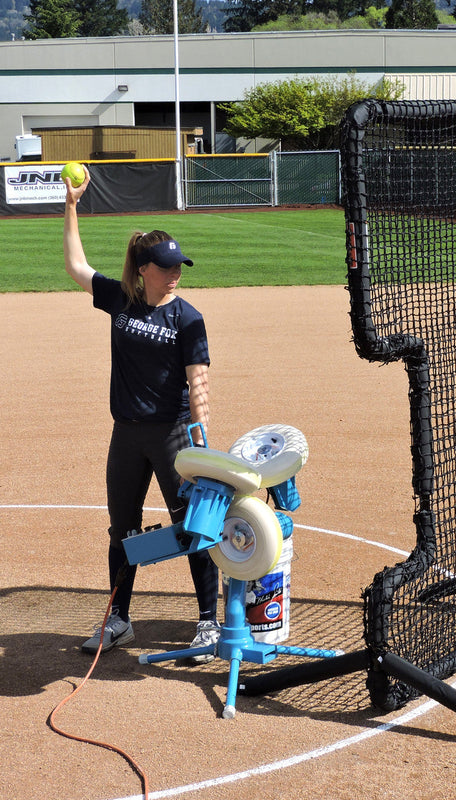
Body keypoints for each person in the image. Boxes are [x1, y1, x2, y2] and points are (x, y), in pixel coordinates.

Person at [63, 165, 221, 660]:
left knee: (195, 526)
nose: (175, 274)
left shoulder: (189, 317)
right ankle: (119, 620)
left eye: (179, 267)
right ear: (144, 268)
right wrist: (70, 205)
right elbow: (76, 267)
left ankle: (208, 623)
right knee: (122, 530)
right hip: (127, 436)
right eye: (167, 267)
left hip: (174, 436)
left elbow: (199, 380)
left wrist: (201, 439)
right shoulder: (123, 300)